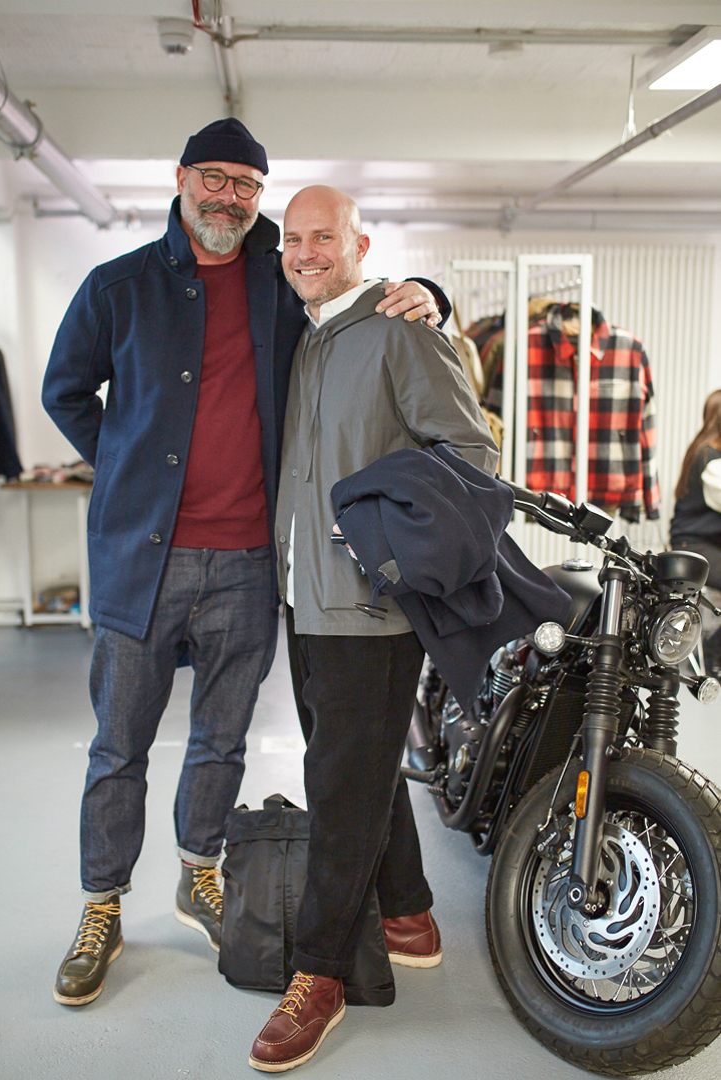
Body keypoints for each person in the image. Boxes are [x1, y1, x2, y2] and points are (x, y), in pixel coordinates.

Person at [40, 117, 445, 1008]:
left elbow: (356, 291)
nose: (229, 197)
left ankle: (200, 872)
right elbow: (62, 388)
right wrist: (127, 465)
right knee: (119, 747)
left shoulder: (278, 279)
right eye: (214, 178)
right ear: (181, 178)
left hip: (251, 564)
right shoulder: (120, 286)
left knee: (220, 740)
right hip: (141, 561)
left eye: (247, 185)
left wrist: (428, 292)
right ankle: (101, 905)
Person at [250, 185, 495, 1073]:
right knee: (359, 767)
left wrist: (376, 533)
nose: (306, 251)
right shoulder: (311, 335)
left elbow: (470, 454)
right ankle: (408, 915)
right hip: (303, 600)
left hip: (370, 605)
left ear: (360, 244)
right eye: (293, 239)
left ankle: (319, 974)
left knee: (339, 794)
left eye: (324, 236)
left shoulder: (399, 330)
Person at [668, 390, 721, 670]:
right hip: (693, 549)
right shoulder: (711, 460)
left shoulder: (704, 452)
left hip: (696, 545)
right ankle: (715, 655)